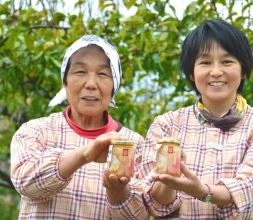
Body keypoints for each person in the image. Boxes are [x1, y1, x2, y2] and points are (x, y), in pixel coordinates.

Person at [10, 35, 180, 219]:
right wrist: (84, 155)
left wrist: (118, 192)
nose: (91, 84)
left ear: (114, 85)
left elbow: (141, 215)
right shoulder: (37, 131)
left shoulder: (133, 144)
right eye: (80, 72)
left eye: (102, 74)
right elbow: (25, 182)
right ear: (64, 81)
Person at [142, 19, 253, 219]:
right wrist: (169, 179)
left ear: (243, 70)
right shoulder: (167, 125)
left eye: (227, 61)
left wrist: (202, 191)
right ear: (191, 73)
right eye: (205, 62)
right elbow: (154, 203)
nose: (216, 71)